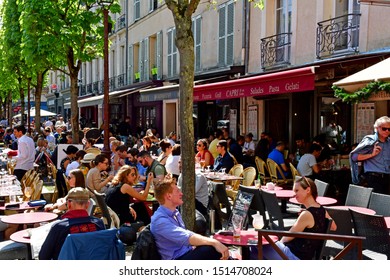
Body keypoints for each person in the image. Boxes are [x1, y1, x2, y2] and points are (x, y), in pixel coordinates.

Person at [150, 177, 230, 260]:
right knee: (211, 249)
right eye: (177, 191)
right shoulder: (160, 220)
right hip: (176, 260)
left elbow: (186, 234)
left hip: (185, 252)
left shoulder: (175, 212)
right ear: (169, 196)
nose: (181, 194)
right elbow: (187, 237)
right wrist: (214, 242)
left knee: (214, 246)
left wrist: (213, 242)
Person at [261, 177, 333, 260]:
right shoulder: (322, 210)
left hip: (294, 256)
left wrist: (277, 246)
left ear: (308, 190)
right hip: (305, 255)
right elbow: (334, 226)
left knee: (258, 247)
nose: (294, 194)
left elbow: (287, 238)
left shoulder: (307, 214)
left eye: (297, 190)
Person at [39, 187, 105, 260]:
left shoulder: (59, 227)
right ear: (88, 204)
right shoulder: (99, 223)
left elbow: (43, 257)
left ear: (69, 204)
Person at [350, 116, 390, 194]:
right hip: (372, 177)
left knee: (385, 204)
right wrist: (372, 154)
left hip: (387, 178)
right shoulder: (369, 140)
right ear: (377, 128)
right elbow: (354, 157)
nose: (387, 131)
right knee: (375, 204)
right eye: (384, 129)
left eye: (389, 129)